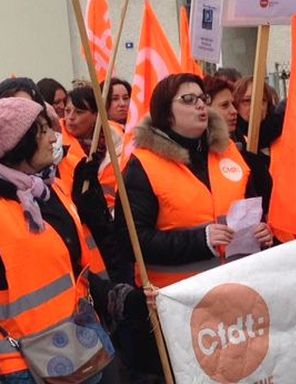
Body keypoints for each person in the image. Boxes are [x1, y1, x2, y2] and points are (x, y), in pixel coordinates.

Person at [0, 97, 146, 384]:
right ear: (17, 144)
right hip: (22, 365)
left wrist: (117, 297)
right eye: (42, 131)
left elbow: (72, 268)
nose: (54, 137)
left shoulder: (46, 191)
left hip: (80, 341)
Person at [116, 73, 273, 289]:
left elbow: (251, 208)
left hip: (238, 290)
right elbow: (132, 242)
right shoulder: (142, 167)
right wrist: (200, 240)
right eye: (189, 100)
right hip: (179, 300)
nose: (200, 105)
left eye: (203, 98)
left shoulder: (229, 153)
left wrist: (262, 232)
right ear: (166, 113)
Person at [203, 75, 273, 214]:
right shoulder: (199, 154)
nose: (233, 111)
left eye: (262, 100)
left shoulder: (238, 150)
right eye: (224, 105)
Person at [59, 85, 123, 211]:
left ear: (96, 115)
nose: (70, 117)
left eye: (79, 112)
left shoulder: (118, 141)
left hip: (116, 216)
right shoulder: (56, 148)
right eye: (67, 111)